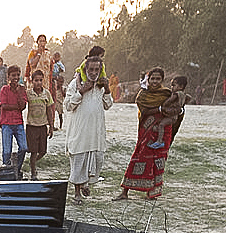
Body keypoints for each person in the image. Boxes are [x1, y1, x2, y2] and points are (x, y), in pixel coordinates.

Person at [115, 67, 174, 202]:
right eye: (152, 78)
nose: (154, 81)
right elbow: (144, 111)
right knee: (139, 156)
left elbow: (174, 108)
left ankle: (152, 193)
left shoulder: (166, 94)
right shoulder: (143, 95)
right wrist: (159, 109)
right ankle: (125, 191)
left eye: (158, 79)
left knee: (158, 159)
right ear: (148, 79)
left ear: (162, 80)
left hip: (162, 132)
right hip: (146, 131)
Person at [64, 55, 113, 204]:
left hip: (95, 132)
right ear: (85, 69)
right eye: (90, 69)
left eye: (97, 69)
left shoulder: (101, 86)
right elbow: (68, 106)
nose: (93, 72)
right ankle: (77, 193)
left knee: (96, 159)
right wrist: (81, 91)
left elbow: (108, 105)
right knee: (79, 160)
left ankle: (85, 183)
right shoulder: (75, 84)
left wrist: (107, 89)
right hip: (79, 132)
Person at [0, 65, 28, 176]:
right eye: (13, 75)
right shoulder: (4, 89)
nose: (15, 77)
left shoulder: (21, 89)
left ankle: (17, 169)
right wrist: (16, 106)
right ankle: (6, 171)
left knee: (24, 148)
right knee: (7, 151)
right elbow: (4, 106)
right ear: (8, 77)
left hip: (18, 123)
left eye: (17, 75)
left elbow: (22, 106)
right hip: (6, 123)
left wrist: (20, 92)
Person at [25, 70, 54, 179]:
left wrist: (51, 127)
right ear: (32, 81)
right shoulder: (28, 93)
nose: (38, 83)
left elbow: (49, 110)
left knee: (43, 151)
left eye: (40, 80)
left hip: (42, 126)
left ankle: (33, 163)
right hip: (31, 126)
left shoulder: (46, 93)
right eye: (36, 80)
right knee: (33, 151)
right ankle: (33, 172)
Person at [147, 76, 187, 148]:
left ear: (181, 86)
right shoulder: (183, 94)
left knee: (161, 124)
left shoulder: (176, 94)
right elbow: (189, 98)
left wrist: (164, 104)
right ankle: (158, 139)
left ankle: (159, 141)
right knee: (158, 125)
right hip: (175, 116)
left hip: (171, 116)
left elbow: (169, 101)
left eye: (173, 85)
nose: (171, 87)